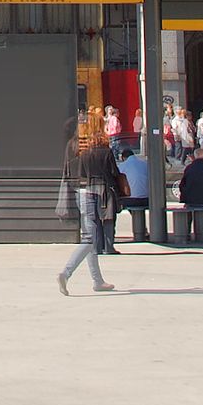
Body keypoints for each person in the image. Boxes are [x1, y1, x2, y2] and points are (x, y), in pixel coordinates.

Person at [56, 125, 118, 294]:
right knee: (89, 239)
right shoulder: (105, 152)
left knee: (90, 238)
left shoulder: (79, 152)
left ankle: (98, 281)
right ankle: (66, 273)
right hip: (99, 194)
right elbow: (113, 174)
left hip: (81, 193)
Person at [115, 143, 151, 242]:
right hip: (148, 199)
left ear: (123, 157)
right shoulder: (144, 164)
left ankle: (141, 230)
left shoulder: (122, 166)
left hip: (131, 200)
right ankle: (145, 230)